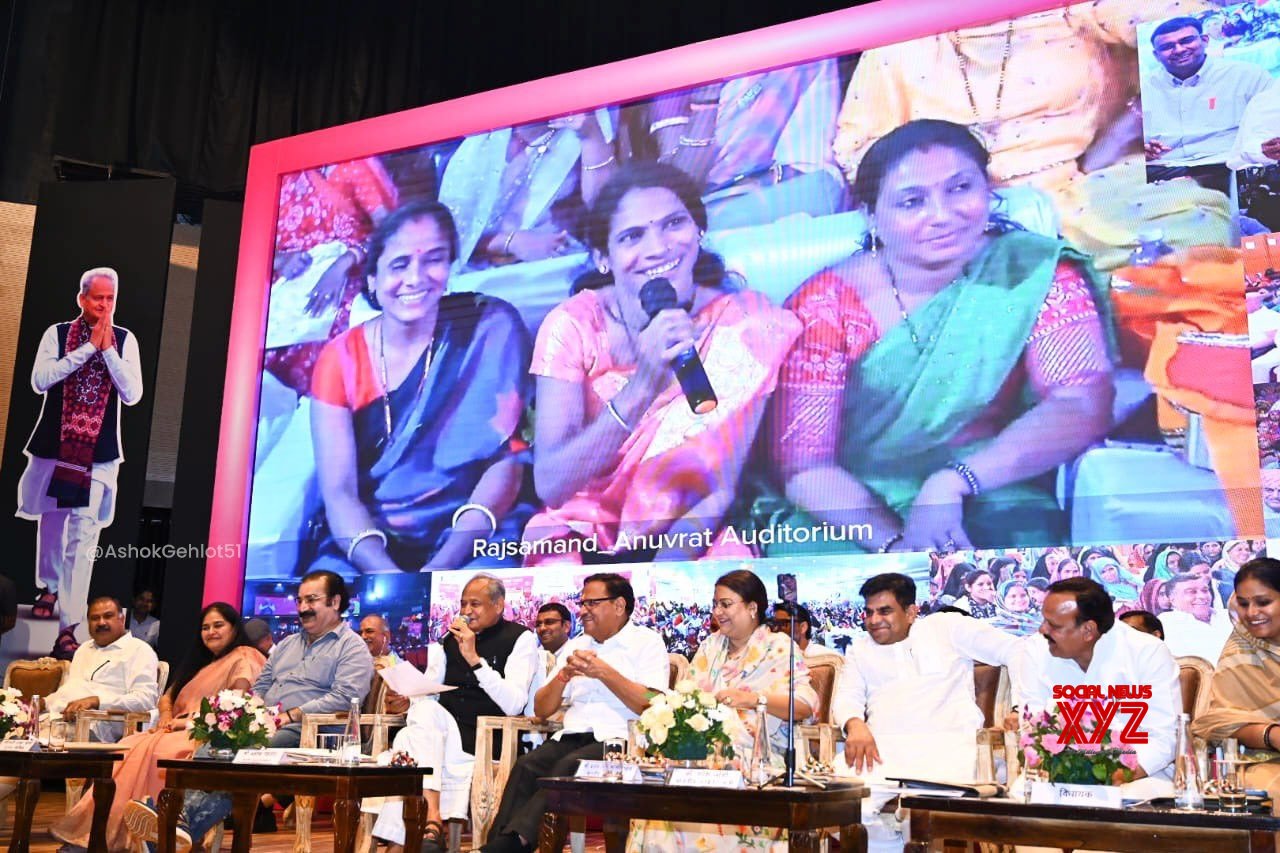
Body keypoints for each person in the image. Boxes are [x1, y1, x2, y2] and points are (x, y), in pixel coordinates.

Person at [771, 119, 1114, 554]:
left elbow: (1080, 402)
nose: (942, 215)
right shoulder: (826, 306)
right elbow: (805, 467)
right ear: (872, 216)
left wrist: (954, 481)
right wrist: (896, 547)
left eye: (959, 188)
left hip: (992, 483)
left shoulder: (1031, 273)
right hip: (846, 504)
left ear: (988, 191)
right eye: (912, 201)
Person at [522, 161, 801, 563]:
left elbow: (718, 485)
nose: (658, 248)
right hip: (579, 527)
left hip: (690, 528)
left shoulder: (749, 326)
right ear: (603, 257)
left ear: (699, 230)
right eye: (632, 236)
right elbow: (551, 485)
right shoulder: (573, 325)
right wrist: (645, 384)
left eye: (673, 224)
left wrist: (665, 571)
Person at [832, 2, 1234, 272]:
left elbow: (1188, 21)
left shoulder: (1066, 14)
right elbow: (862, 153)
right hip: (966, 218)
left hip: (1088, 190)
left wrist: (1118, 134)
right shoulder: (903, 41)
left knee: (1202, 227)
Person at [307, 200, 533, 573]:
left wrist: (442, 566)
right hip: (366, 538)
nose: (416, 277)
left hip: (475, 530)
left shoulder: (491, 327)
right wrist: (389, 576)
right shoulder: (340, 359)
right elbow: (339, 491)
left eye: (434, 259)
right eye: (399, 264)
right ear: (372, 280)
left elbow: (508, 462)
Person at [133, 570, 373, 846]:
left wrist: (290, 715)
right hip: (269, 724)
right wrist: (245, 714)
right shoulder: (287, 646)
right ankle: (179, 828)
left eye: (312, 600)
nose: (303, 607)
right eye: (299, 600)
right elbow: (261, 686)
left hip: (312, 731)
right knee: (216, 742)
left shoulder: (351, 647)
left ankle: (176, 825)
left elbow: (346, 697)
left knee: (246, 751)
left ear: (334, 602)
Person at [628, 570, 817, 851]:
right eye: (715, 604)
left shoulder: (778, 647)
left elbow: (804, 706)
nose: (717, 612)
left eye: (726, 604)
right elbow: (686, 698)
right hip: (701, 751)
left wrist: (751, 699)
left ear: (752, 608)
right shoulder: (710, 646)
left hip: (758, 756)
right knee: (661, 782)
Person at [51, 603, 264, 850]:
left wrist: (184, 723)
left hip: (204, 733)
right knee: (126, 746)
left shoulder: (244, 655)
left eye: (218, 625)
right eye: (205, 627)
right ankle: (100, 834)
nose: (211, 632)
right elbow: (167, 698)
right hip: (173, 728)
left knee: (158, 752)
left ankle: (152, 831)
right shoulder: (202, 663)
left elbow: (236, 702)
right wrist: (165, 717)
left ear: (234, 627)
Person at [480, 574, 668, 853]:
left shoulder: (647, 643)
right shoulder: (577, 645)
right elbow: (543, 710)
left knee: (567, 768)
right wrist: (563, 677)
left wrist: (604, 673)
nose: (583, 610)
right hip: (571, 736)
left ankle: (514, 844)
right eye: (582, 603)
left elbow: (655, 701)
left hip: (619, 744)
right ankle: (498, 844)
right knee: (527, 765)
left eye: (592, 602)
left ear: (619, 605)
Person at [833, 573, 1019, 853]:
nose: (873, 620)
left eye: (884, 611)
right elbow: (848, 695)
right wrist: (854, 723)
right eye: (869, 612)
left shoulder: (947, 627)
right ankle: (890, 846)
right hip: (882, 751)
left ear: (911, 612)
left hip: (946, 751)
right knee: (834, 806)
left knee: (916, 817)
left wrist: (1018, 708)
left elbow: (1015, 650)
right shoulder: (861, 648)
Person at [18, 267, 143, 656]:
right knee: (53, 524)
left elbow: (133, 393)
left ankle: (70, 625)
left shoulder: (123, 340)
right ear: (82, 299)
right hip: (56, 447)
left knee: (83, 537)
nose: (104, 305)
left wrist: (106, 350)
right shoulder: (57, 334)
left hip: (99, 455)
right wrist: (87, 348)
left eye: (110, 299)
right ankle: (49, 589)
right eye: (97, 298)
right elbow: (41, 380)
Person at [371, 574, 539, 853]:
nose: (467, 611)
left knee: (407, 743)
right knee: (417, 720)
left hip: (484, 736)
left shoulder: (521, 638)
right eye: (463, 604)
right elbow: (430, 690)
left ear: (499, 605)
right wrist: (407, 701)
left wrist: (475, 659)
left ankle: (403, 842)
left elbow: (514, 704)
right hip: (442, 731)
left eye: (476, 604)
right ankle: (431, 820)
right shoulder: (448, 640)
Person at [1010, 577, 1182, 797]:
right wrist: (1072, 776)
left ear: (1088, 630)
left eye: (1054, 625)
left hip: (1139, 776)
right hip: (1060, 775)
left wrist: (1108, 777)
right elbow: (1032, 728)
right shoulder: (1035, 649)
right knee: (1019, 795)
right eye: (1044, 620)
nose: (1043, 629)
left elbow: (1163, 738)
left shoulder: (1147, 652)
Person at [646, 62, 846, 230]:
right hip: (716, 206)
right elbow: (678, 186)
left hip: (799, 186)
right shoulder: (676, 69)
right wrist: (706, 104)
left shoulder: (797, 40)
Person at [438, 113, 617, 270]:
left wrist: (591, 136)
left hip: (554, 270)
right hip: (474, 275)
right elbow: (448, 243)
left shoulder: (581, 128)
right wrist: (510, 242)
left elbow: (606, 212)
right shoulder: (479, 142)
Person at [1143, 15, 1273, 195]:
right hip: (1163, 168)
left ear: (1205, 40)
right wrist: (1142, 150)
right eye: (1167, 47)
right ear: (1156, 56)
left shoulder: (1247, 75)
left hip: (1227, 164)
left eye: (1186, 40)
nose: (1179, 49)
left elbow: (1271, 126)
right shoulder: (1139, 89)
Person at [1192, 557, 1280, 798]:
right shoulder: (1240, 648)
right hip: (1263, 762)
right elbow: (1218, 721)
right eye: (1243, 603)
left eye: (1264, 602)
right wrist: (1271, 734)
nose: (1252, 613)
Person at [44, 595, 158, 743]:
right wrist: (44, 702)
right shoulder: (84, 649)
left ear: (122, 619)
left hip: (100, 726)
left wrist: (98, 701)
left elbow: (145, 700)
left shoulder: (139, 650)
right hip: (62, 719)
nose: (101, 622)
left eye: (108, 616)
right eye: (95, 618)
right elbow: (70, 690)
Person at [1159, 571, 1233, 661]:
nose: (1202, 596)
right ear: (1172, 599)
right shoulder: (1167, 624)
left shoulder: (1228, 616)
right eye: (1191, 592)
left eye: (1205, 590)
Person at [359, 614, 409, 715]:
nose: (363, 636)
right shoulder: (355, 665)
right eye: (361, 632)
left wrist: (403, 705)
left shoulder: (401, 669)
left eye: (369, 631)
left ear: (386, 636)